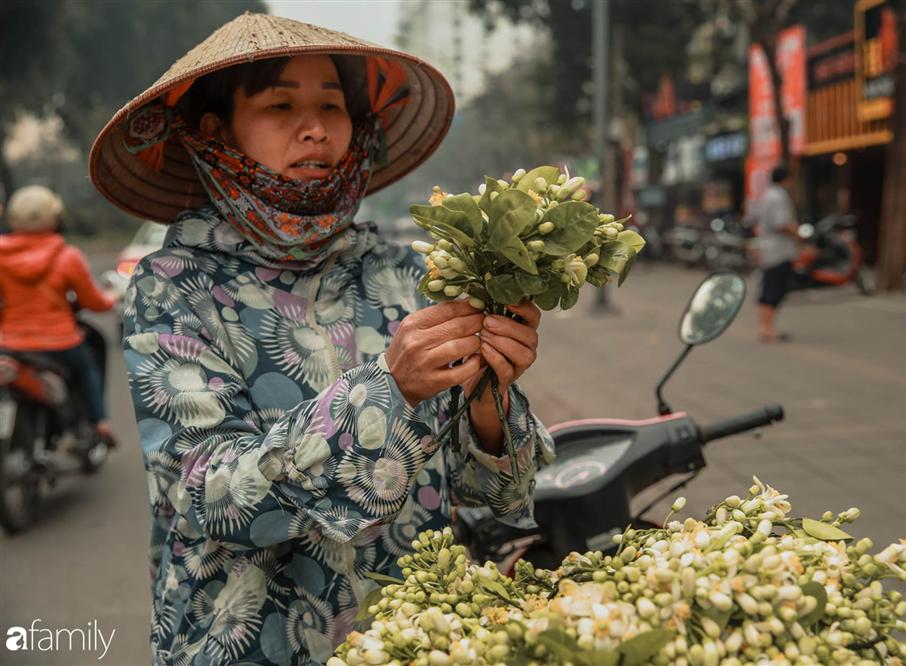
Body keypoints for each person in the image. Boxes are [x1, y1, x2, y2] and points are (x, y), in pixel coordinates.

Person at [88, 13, 554, 665]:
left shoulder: (408, 275)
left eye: (332, 106)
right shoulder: (173, 288)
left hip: (420, 643)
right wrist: (388, 390)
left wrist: (488, 400)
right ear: (216, 132)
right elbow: (212, 500)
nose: (316, 128)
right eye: (281, 105)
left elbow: (500, 497)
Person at [0, 185, 118, 444]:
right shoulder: (68, 257)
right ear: (55, 217)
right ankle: (99, 423)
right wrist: (113, 297)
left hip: (9, 344)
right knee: (87, 368)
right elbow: (95, 303)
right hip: (60, 344)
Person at [755, 165, 799, 343]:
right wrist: (797, 234)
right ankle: (766, 329)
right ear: (786, 178)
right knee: (774, 289)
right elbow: (781, 224)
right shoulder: (778, 196)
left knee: (770, 288)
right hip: (778, 251)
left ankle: (766, 328)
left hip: (770, 249)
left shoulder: (768, 194)